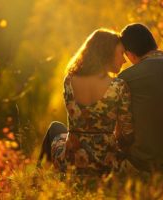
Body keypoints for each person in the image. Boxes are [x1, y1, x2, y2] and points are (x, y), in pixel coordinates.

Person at [37, 29, 133, 175]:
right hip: (106, 166)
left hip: (72, 164)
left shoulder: (69, 80)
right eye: (121, 53)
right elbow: (127, 134)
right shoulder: (118, 86)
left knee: (55, 128)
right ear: (107, 53)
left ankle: (39, 180)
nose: (124, 60)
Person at [118, 23, 163, 173]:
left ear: (130, 54)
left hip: (144, 164)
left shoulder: (125, 78)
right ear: (153, 43)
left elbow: (121, 131)